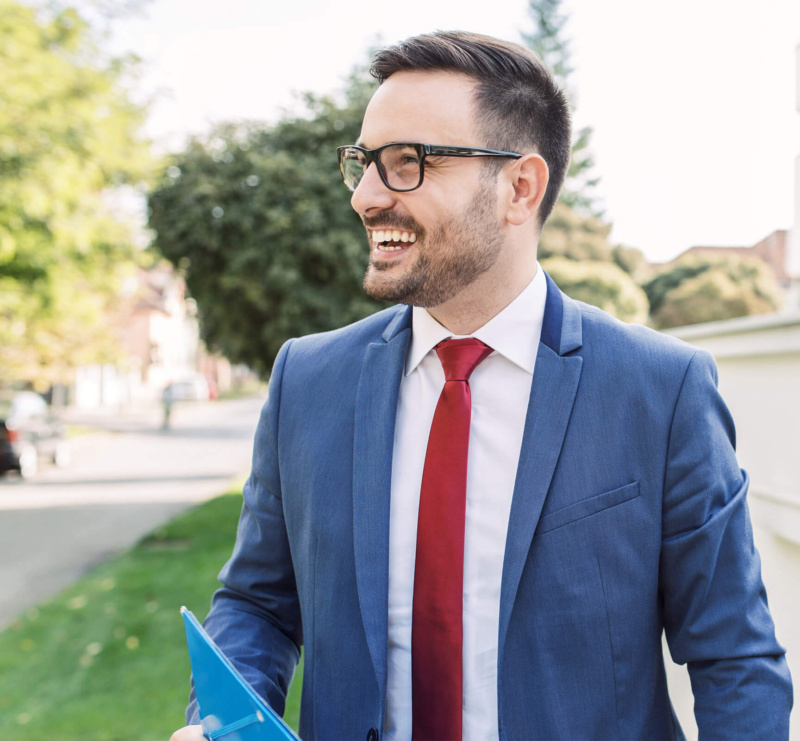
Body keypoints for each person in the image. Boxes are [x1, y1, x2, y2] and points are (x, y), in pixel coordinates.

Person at [170, 31, 792, 741]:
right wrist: (222, 721)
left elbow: (733, 656)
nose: (368, 196)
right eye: (364, 163)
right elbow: (259, 604)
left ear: (519, 188)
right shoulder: (307, 382)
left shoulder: (661, 389)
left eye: (409, 163)